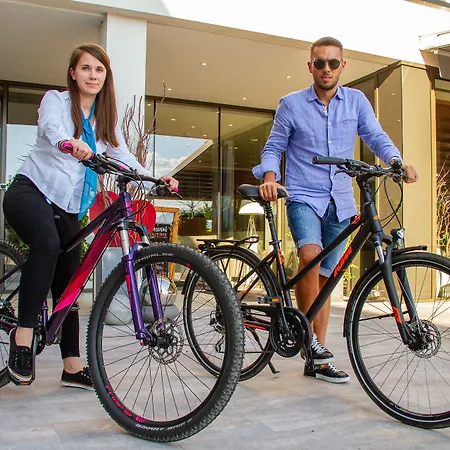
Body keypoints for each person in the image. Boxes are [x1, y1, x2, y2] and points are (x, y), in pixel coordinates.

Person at [3, 43, 178, 389]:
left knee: (71, 280)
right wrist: (69, 143)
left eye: (99, 70)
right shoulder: (56, 101)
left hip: (68, 208)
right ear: (73, 73)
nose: (92, 75)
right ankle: (22, 338)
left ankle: (71, 366)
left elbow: (123, 156)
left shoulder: (103, 118)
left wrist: (155, 179)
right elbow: (50, 128)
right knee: (47, 245)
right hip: (31, 192)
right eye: (85, 68)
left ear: (105, 76)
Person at [253, 36, 418, 383]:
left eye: (332, 63)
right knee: (310, 257)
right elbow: (274, 146)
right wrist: (270, 177)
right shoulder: (291, 104)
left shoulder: (356, 101)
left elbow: (375, 136)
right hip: (303, 195)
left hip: (341, 200)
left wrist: (396, 160)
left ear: (342, 66)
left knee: (327, 279)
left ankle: (318, 358)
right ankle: (309, 341)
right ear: (310, 66)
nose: (326, 69)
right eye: (319, 63)